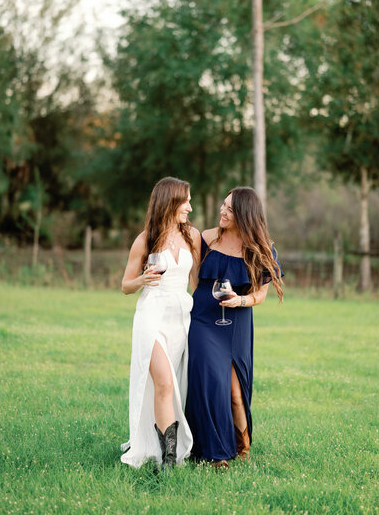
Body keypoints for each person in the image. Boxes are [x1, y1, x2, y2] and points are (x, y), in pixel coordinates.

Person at [185, 186, 284, 468]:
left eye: (229, 208)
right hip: (203, 319)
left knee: (235, 392)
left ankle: (243, 445)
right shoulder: (205, 238)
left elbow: (261, 295)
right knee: (210, 384)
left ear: (243, 214)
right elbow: (194, 281)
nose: (222, 211)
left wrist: (240, 300)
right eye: (223, 205)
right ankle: (216, 452)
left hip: (237, 321)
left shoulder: (260, 248)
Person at [120, 177, 200, 469]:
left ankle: (163, 448)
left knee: (175, 385)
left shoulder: (192, 236)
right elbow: (126, 286)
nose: (190, 207)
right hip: (152, 315)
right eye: (186, 201)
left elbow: (198, 282)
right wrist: (142, 279)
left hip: (181, 317)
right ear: (170, 201)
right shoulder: (146, 239)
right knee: (164, 382)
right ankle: (168, 462)